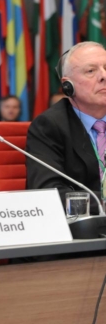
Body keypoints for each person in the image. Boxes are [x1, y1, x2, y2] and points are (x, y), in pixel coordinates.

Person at [26, 41, 106, 215]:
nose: (103, 76)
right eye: (91, 71)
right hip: (86, 230)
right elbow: (47, 192)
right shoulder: (49, 126)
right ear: (67, 85)